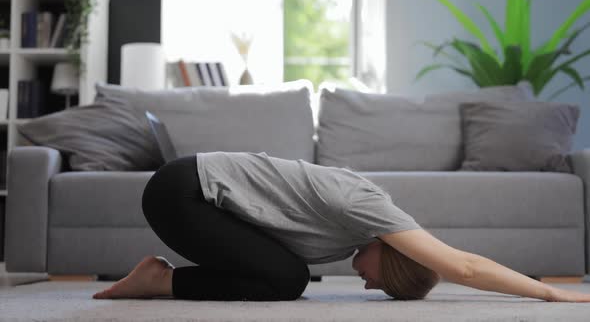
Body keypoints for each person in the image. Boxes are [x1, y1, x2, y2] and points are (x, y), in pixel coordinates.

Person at [93, 152, 590, 302]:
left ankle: (162, 279)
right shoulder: (368, 208)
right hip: (181, 191)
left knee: (288, 276)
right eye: (383, 282)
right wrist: (553, 296)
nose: (369, 283)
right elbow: (465, 266)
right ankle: (160, 280)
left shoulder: (353, 236)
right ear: (397, 257)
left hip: (194, 201)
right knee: (290, 280)